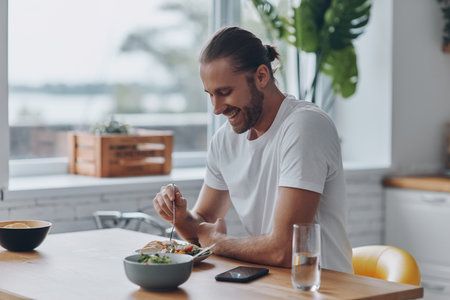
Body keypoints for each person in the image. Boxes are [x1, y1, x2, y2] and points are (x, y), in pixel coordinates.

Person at [153, 26, 353, 273]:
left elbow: (285, 250)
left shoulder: (305, 126)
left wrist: (218, 242)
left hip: (325, 290)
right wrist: (181, 217)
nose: (216, 108)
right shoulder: (224, 141)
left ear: (261, 76)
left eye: (225, 92)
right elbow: (202, 229)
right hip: (268, 286)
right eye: (210, 95)